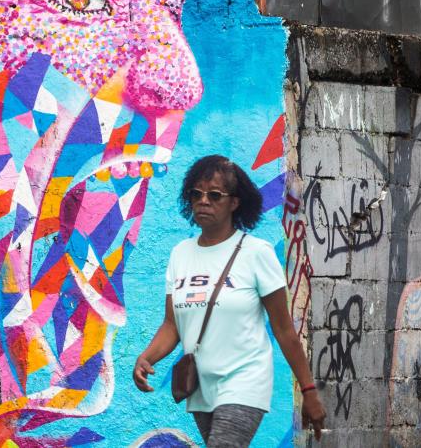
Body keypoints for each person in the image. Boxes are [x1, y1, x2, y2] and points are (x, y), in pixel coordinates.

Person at [132, 155, 326, 446]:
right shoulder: (180, 255)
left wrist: (309, 390)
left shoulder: (255, 253)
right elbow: (172, 324)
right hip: (199, 387)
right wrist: (146, 357)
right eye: (196, 194)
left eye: (214, 195)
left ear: (235, 203)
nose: (203, 201)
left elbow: (285, 330)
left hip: (244, 383)